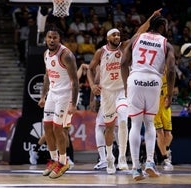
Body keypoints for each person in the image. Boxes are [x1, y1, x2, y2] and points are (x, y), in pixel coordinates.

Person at [87, 9, 162, 175]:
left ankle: (121, 157)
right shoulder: (101, 52)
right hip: (107, 92)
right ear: (108, 38)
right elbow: (89, 69)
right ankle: (109, 158)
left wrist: (151, 17)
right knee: (108, 127)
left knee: (122, 120)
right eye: (114, 35)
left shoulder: (125, 46)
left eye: (118, 35)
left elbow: (139, 31)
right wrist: (93, 85)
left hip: (122, 90)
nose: (117, 37)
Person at [121, 15, 176, 181]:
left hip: (135, 79)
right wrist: (170, 93)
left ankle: (136, 168)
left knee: (136, 125)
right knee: (150, 123)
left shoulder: (137, 38)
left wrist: (126, 86)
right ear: (163, 27)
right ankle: (150, 162)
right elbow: (172, 69)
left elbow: (123, 63)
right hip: (154, 82)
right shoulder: (166, 43)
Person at [38, 25, 79, 179]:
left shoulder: (66, 55)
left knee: (58, 129)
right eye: (49, 37)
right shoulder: (46, 54)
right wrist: (43, 96)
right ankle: (54, 159)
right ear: (46, 39)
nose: (52, 40)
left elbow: (75, 81)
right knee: (47, 127)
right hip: (53, 94)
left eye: (55, 37)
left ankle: (63, 161)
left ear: (59, 39)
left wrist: (73, 104)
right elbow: (47, 75)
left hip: (65, 95)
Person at [154, 74, 174, 171]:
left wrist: (170, 96)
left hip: (165, 106)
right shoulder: (151, 73)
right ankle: (166, 159)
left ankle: (166, 150)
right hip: (154, 108)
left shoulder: (167, 70)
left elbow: (172, 81)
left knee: (169, 135)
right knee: (160, 133)